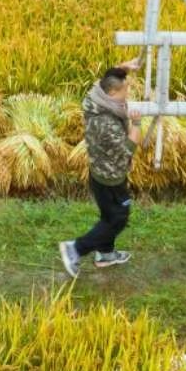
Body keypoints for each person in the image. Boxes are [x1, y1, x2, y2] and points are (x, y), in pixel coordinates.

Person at [60, 61, 143, 276]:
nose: (128, 94)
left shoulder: (94, 98)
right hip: (110, 179)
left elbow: (106, 77)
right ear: (113, 92)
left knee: (108, 216)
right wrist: (136, 125)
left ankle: (105, 254)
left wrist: (125, 67)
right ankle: (75, 249)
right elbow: (127, 150)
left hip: (97, 173)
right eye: (125, 91)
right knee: (118, 218)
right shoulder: (107, 124)